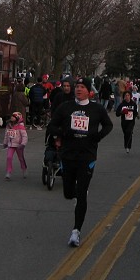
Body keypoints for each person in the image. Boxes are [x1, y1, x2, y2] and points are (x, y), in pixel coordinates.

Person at [47, 77, 113, 247]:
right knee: (68, 193)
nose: (78, 89)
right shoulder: (66, 107)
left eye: (82, 87)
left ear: (89, 91)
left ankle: (76, 232)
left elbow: (108, 125)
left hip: (87, 156)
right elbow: (52, 125)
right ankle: (75, 193)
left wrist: (97, 137)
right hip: (68, 155)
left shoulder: (96, 109)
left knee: (82, 194)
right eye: (77, 87)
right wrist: (61, 134)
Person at [3, 112, 28, 179]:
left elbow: (25, 136)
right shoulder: (9, 125)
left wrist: (23, 144)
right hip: (11, 144)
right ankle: (8, 171)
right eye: (12, 116)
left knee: (21, 158)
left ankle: (24, 169)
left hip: (19, 145)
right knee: (9, 157)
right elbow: (6, 135)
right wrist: (5, 143)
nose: (12, 118)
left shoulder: (21, 126)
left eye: (14, 117)